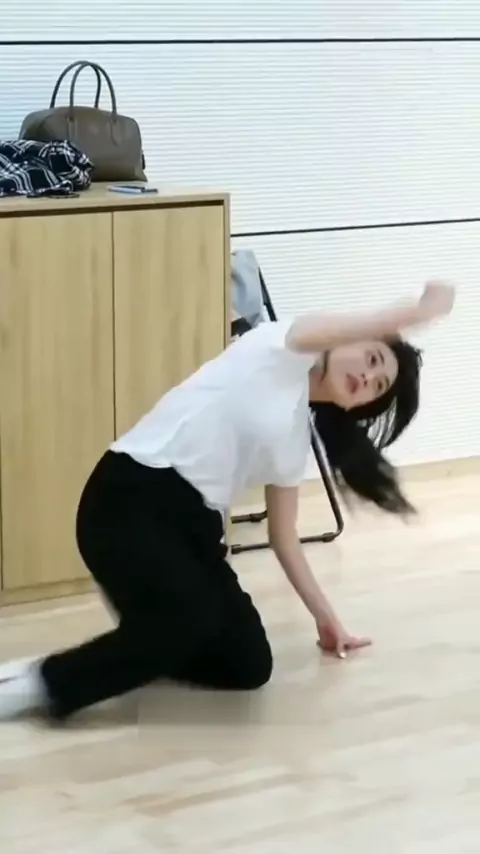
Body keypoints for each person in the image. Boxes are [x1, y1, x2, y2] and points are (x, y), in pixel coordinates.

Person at [0, 280, 455, 722]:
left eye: (378, 385)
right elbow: (357, 323)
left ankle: (147, 637)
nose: (368, 377)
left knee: (247, 663)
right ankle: (40, 682)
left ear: (359, 408)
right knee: (188, 620)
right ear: (351, 338)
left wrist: (327, 620)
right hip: (131, 496)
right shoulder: (281, 345)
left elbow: (284, 538)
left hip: (194, 528)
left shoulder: (295, 439)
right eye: (372, 359)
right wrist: (418, 312)